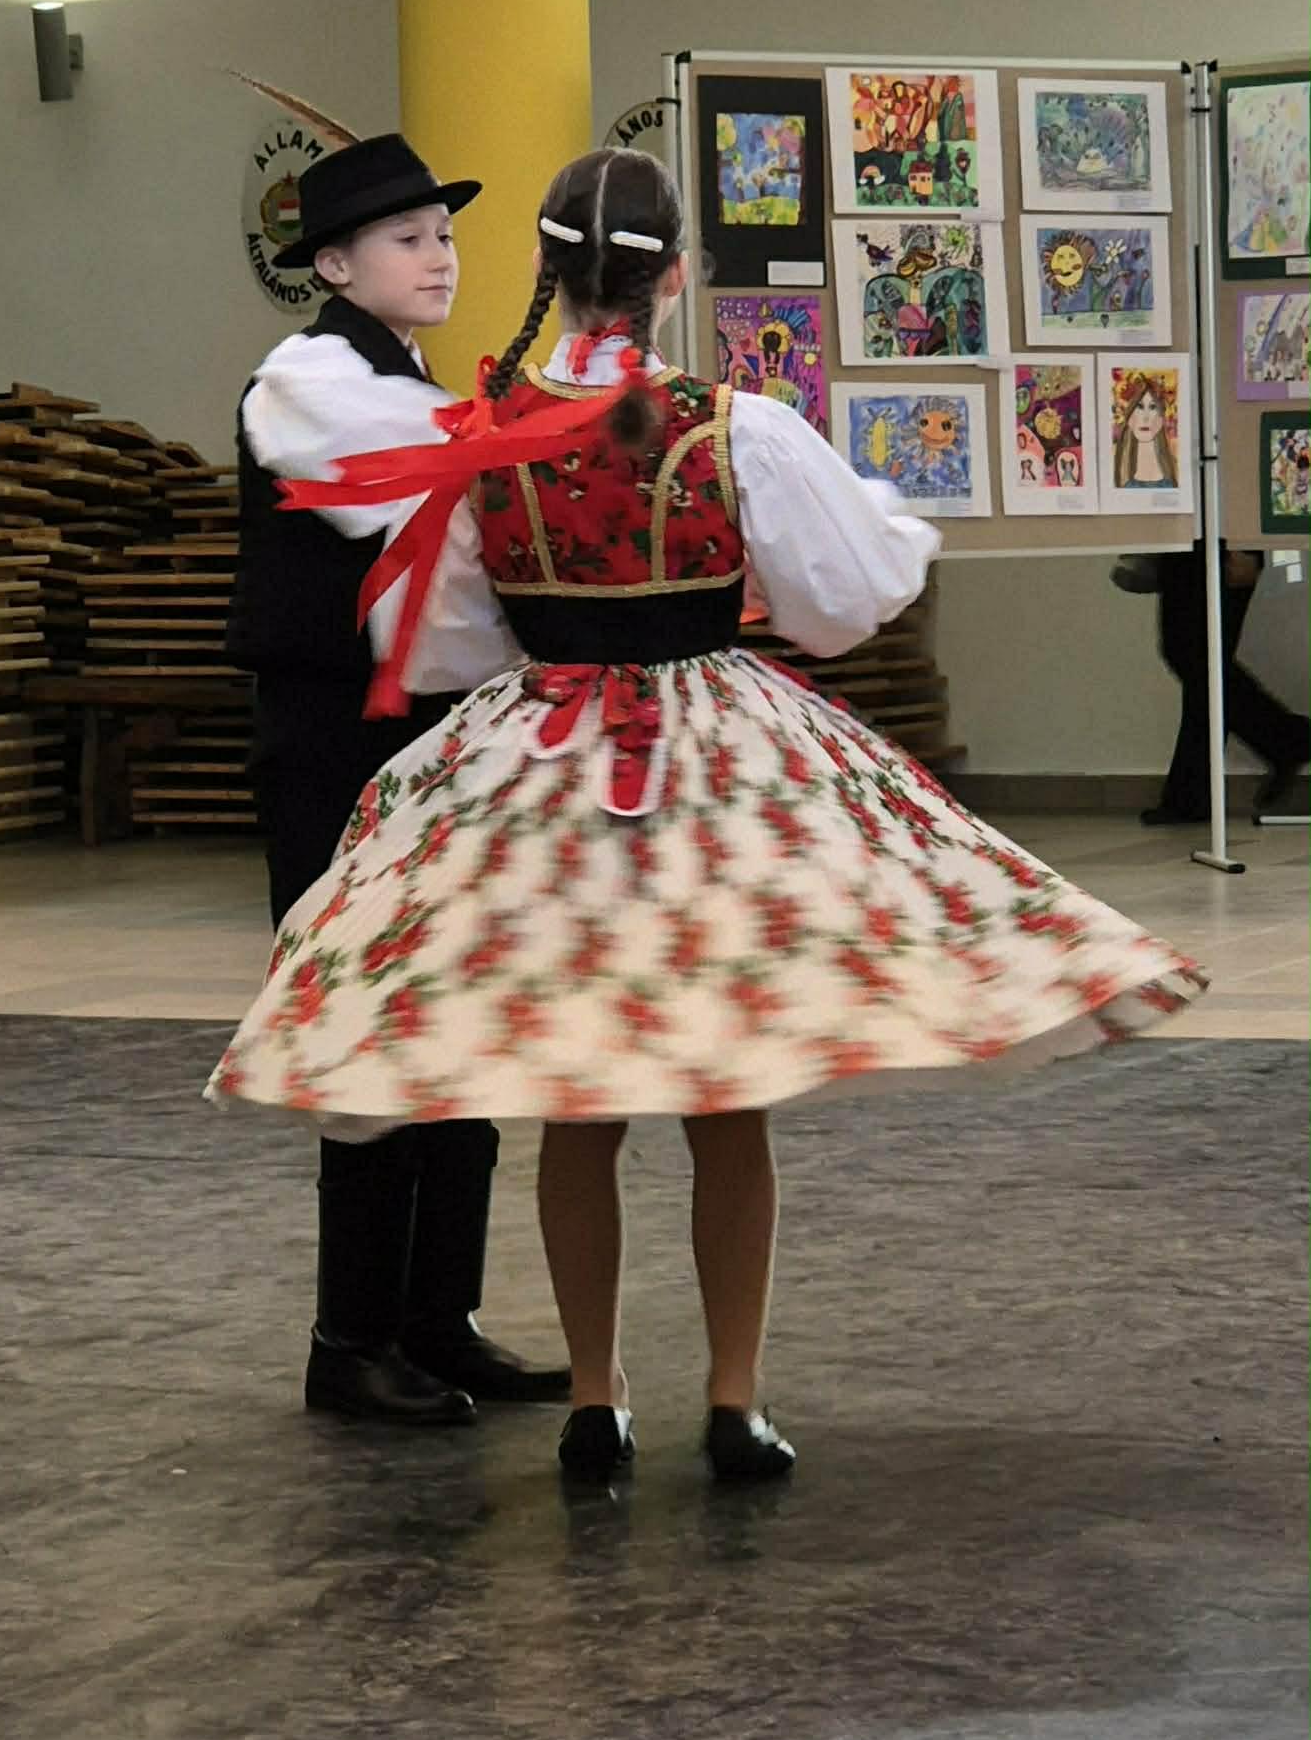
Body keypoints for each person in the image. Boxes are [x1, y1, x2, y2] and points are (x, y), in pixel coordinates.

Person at [210, 149, 1205, 1486]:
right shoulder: (732, 425)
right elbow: (841, 603)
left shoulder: (481, 437)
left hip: (540, 761)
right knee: (724, 1088)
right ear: (676, 277)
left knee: (577, 1091)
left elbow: (444, 639)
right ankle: (732, 1399)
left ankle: (596, 1399)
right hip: (711, 755)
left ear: (544, 271)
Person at [227, 129, 570, 1424]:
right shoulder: (307, 380)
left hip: (433, 745)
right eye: (408, 239)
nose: (440, 258)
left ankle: (438, 1321)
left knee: (455, 1019)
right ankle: (351, 1338)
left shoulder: (408, 380)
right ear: (333, 265)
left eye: (445, 236)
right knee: (370, 1026)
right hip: (338, 748)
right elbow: (441, 477)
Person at [1138, 541, 1311, 825]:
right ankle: (1288, 740)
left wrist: (1244, 546)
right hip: (1195, 543)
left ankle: (1289, 740)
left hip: (1215, 543)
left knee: (1198, 661)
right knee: (1202, 667)